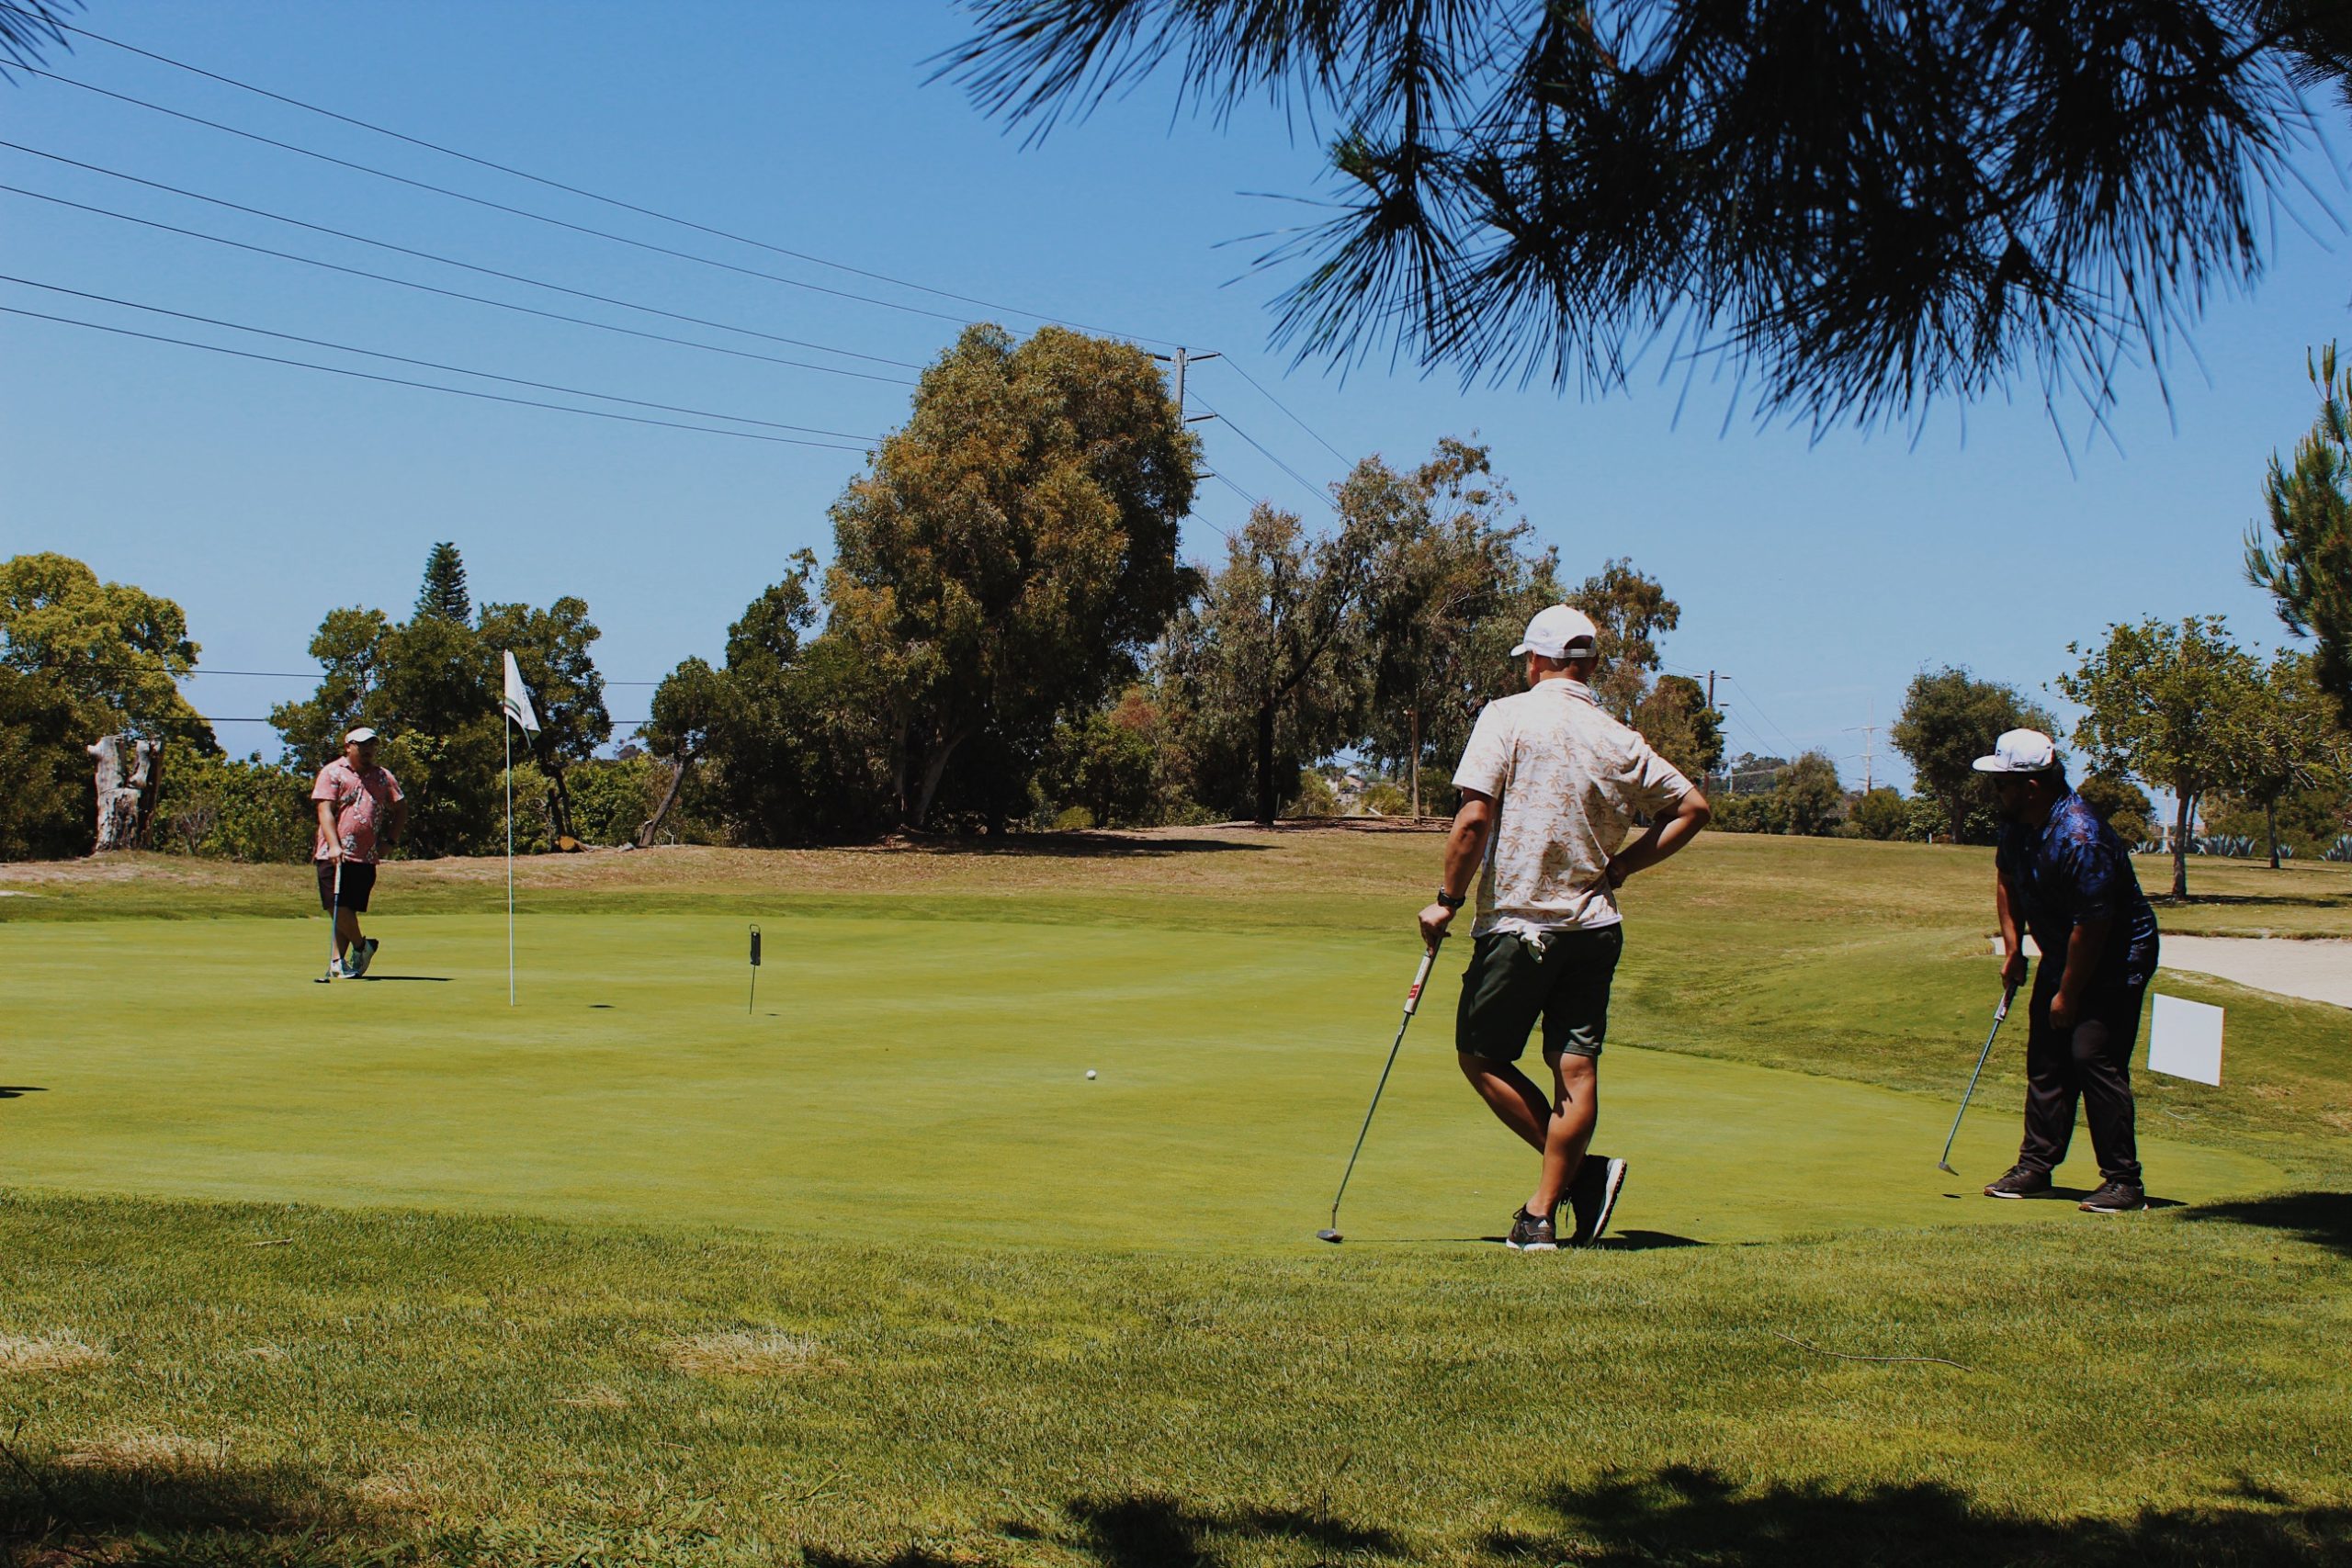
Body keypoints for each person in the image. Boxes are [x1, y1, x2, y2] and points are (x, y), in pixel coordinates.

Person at [1418, 604, 1712, 1252]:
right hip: (1594, 926)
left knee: (1481, 1053)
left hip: (1520, 925)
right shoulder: (1617, 736)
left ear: (1536, 661)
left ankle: (1573, 1184)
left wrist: (1445, 899)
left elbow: (1472, 820)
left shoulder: (1507, 716)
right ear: (1591, 666)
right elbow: (1691, 806)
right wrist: (1623, 865)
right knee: (1575, 1073)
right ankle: (1544, 1212)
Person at [1976, 728, 2160, 1213]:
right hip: (2065, 952)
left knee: (2092, 1055)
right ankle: (2036, 1167)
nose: (1996, 792)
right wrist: (2015, 949)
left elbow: (2094, 924)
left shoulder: (2083, 837)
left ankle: (2123, 1181)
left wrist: (2069, 993)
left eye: (2002, 783)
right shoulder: (2017, 824)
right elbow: (2007, 879)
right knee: (2048, 1056)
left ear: (2031, 786)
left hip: (2117, 956)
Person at [311, 726, 406, 981]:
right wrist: (333, 844)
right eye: (362, 745)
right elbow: (325, 811)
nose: (368, 750)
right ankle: (364, 947)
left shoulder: (383, 777)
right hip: (332, 854)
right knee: (336, 907)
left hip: (365, 856)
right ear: (348, 747)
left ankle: (337, 963)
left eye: (372, 745)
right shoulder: (332, 772)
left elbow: (401, 809)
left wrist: (391, 840)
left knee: (347, 909)